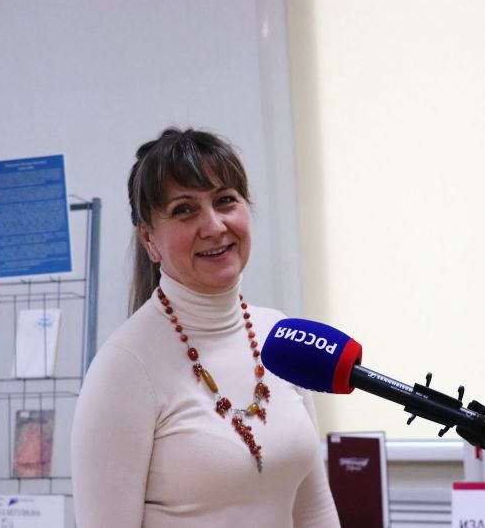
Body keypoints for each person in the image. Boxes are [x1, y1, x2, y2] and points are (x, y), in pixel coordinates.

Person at [71, 128, 340, 527]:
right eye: (185, 209)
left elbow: (315, 511)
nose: (214, 226)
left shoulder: (282, 336)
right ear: (149, 239)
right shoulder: (123, 367)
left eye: (225, 200)